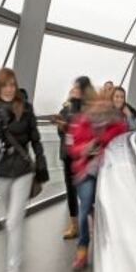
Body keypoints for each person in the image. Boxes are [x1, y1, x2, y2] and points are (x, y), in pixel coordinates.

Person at [0, 68, 49, 272]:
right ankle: (15, 256)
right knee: (12, 220)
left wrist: (42, 165)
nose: (9, 89)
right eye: (4, 85)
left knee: (13, 222)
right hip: (1, 172)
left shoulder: (25, 108)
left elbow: (36, 139)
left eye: (12, 84)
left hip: (23, 170)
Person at [68, 94, 128, 271]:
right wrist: (85, 149)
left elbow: (124, 143)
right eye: (97, 103)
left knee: (108, 209)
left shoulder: (117, 125)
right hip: (86, 171)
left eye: (104, 104)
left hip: (108, 172)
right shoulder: (82, 122)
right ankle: (82, 249)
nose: (100, 107)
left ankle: (110, 246)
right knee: (85, 207)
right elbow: (73, 148)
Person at [52, 87, 82, 240]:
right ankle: (74, 225)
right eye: (71, 93)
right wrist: (60, 126)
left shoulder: (84, 112)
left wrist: (67, 126)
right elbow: (61, 134)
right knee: (70, 190)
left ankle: (88, 222)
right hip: (67, 155)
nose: (73, 95)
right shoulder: (64, 110)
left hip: (81, 156)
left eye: (76, 92)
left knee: (84, 190)